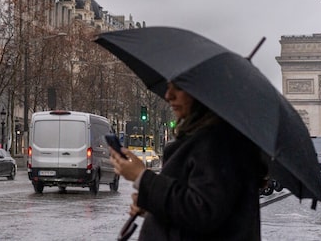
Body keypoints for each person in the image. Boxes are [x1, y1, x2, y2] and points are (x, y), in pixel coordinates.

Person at [110, 82, 265, 240]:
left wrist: (142, 177)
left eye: (179, 87)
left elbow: (202, 212)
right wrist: (152, 205)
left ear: (203, 92)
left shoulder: (218, 143)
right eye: (169, 87)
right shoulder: (211, 139)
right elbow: (192, 210)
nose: (168, 95)